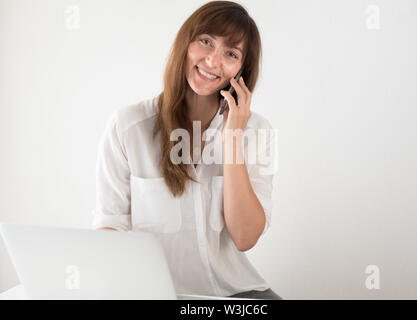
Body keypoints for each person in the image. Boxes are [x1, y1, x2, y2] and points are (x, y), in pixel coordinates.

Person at [92, 1, 281, 300]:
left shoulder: (257, 131)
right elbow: (110, 225)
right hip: (156, 294)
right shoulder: (128, 127)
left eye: (231, 53)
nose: (213, 60)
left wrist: (233, 139)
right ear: (186, 43)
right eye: (206, 41)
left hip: (237, 296)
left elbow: (245, 237)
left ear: (241, 71)